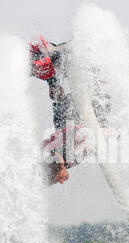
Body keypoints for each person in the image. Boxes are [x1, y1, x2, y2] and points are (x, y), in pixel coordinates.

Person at [30, 36, 83, 185]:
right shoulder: (63, 159)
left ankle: (54, 58)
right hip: (63, 116)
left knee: (58, 92)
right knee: (57, 94)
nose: (61, 182)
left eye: (56, 179)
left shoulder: (59, 155)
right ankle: (54, 72)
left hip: (68, 117)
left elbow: (67, 133)